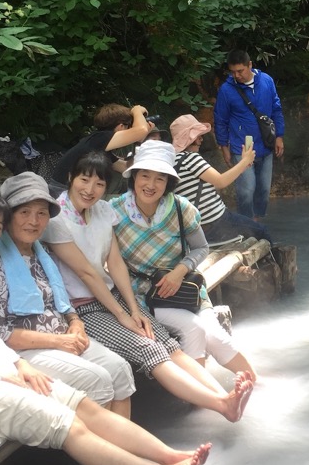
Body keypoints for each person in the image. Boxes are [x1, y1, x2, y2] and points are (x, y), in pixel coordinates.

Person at [0, 189, 212, 465]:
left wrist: (19, 363)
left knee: (83, 404)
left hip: (2, 367)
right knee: (65, 420)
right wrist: (6, 366)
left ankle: (168, 456)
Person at [44, 150, 254, 422]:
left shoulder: (103, 211)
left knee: (166, 343)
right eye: (84, 180)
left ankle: (225, 399)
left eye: (99, 184)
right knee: (148, 348)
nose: (90, 189)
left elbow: (115, 263)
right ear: (71, 178)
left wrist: (133, 309)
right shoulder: (56, 219)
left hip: (115, 294)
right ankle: (220, 404)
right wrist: (123, 316)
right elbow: (86, 273)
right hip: (82, 307)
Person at [0, 173, 136, 416]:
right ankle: (108, 451)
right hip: (25, 351)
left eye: (41, 213)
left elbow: (63, 303)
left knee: (120, 369)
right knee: (98, 379)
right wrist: (59, 341)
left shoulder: (43, 254)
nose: (34, 221)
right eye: (24, 212)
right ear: (8, 217)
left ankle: (128, 446)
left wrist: (75, 323)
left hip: (64, 339)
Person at [110, 141, 258, 381]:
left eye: (160, 178)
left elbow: (201, 247)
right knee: (194, 328)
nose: (150, 184)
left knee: (216, 335)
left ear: (169, 182)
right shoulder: (114, 211)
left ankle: (254, 382)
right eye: (144, 176)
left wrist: (180, 271)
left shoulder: (181, 208)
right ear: (134, 176)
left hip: (185, 289)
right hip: (142, 295)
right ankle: (204, 400)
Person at [170, 114, 271, 244]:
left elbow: (213, 183)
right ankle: (270, 263)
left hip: (194, 227)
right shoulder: (191, 158)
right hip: (216, 222)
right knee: (262, 231)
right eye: (198, 136)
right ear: (190, 138)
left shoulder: (174, 161)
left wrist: (243, 165)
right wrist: (245, 160)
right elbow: (221, 182)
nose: (201, 139)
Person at [213, 49, 285, 220]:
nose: (236, 75)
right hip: (241, 147)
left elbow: (276, 109)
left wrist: (279, 136)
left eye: (240, 71)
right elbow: (220, 119)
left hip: (266, 144)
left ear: (250, 65)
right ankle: (246, 224)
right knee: (246, 189)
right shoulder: (226, 90)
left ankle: (258, 220)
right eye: (233, 72)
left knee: (264, 189)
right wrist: (224, 146)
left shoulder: (266, 81)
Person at [50, 103, 153, 196]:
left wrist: (139, 142)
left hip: (69, 189)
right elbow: (141, 130)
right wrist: (137, 111)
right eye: (129, 127)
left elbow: (126, 167)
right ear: (121, 127)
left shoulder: (99, 144)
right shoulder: (102, 138)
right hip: (62, 191)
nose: (131, 132)